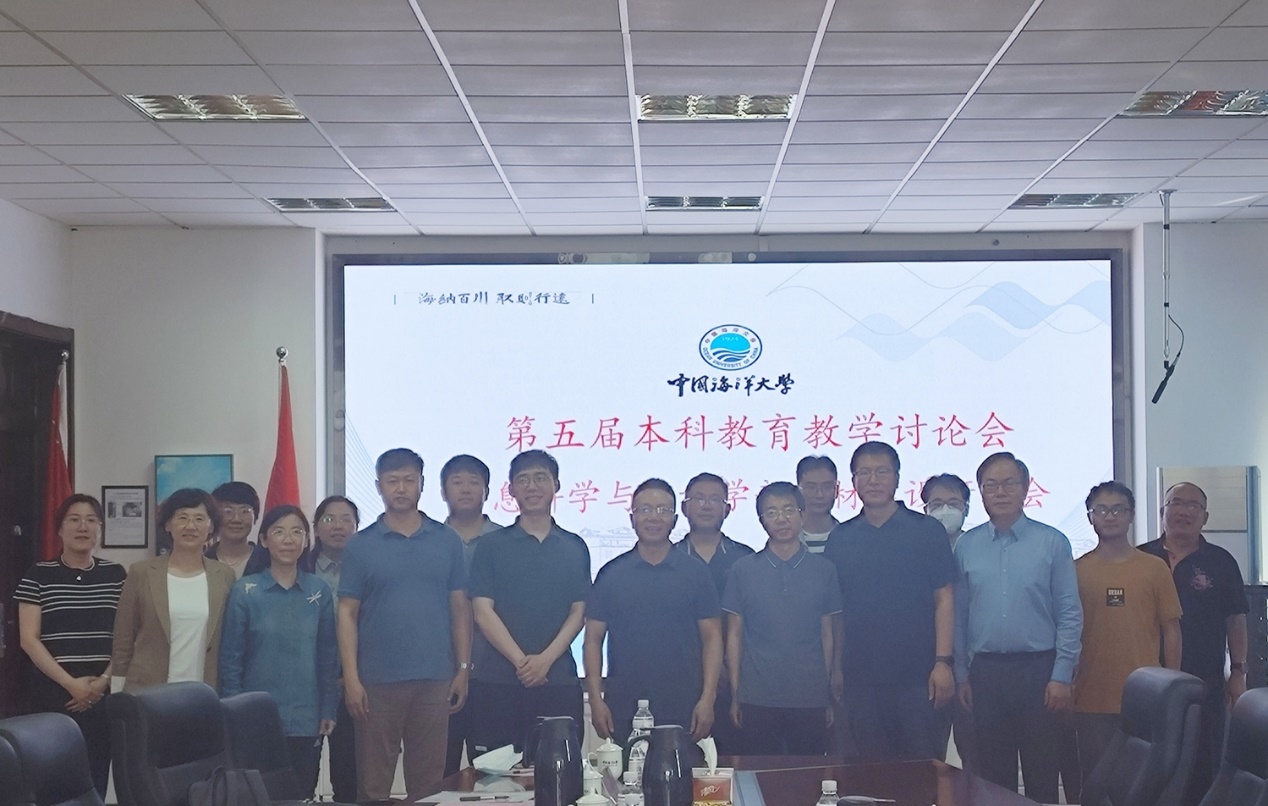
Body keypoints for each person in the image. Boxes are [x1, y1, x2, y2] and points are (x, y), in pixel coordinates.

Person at [337, 448, 471, 802]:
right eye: (392, 481)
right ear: (378, 486)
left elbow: (460, 610)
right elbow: (347, 613)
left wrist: (462, 669)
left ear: (422, 484)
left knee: (428, 785)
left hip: (434, 679)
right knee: (373, 785)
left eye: (409, 480)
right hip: (376, 682)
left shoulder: (446, 540)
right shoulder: (360, 545)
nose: (400, 488)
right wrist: (351, 677)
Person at [953, 452, 1082, 804]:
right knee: (994, 778)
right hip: (985, 673)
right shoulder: (967, 545)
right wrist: (962, 674)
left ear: (1026, 488)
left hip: (1039, 671)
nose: (1000, 492)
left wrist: (1062, 675)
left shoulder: (1052, 542)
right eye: (991, 485)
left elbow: (1069, 612)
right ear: (980, 492)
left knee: (1042, 773)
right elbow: (959, 616)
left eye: (1009, 483)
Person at [825, 443, 955, 761]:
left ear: (897, 478)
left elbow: (944, 599)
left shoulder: (927, 531)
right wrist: (836, 669)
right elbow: (836, 613)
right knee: (868, 774)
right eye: (865, 472)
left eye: (882, 471)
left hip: (919, 678)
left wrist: (943, 662)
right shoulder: (841, 538)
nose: (874, 480)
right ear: (853, 481)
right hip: (860, 679)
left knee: (922, 771)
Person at [467, 450, 589, 756]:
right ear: (511, 490)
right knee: (494, 776)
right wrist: (522, 662)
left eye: (540, 478)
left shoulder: (574, 546)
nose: (532, 486)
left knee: (560, 771)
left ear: (556, 485)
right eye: (523, 480)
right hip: (498, 681)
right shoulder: (491, 545)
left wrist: (545, 660)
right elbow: (482, 610)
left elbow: (579, 612)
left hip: (558, 680)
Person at [585, 479, 723, 743]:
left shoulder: (696, 573)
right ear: (632, 518)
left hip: (684, 703)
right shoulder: (611, 574)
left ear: (674, 519)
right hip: (623, 704)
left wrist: (708, 699)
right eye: (645, 510)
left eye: (663, 510)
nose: (654, 517)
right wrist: (595, 699)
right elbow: (592, 640)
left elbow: (713, 638)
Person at [1140, 481, 1249, 806]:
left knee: (1201, 762)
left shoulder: (1220, 561)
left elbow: (1236, 619)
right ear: (1163, 511)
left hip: (1205, 679)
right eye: (1176, 503)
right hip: (1146, 679)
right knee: (1147, 763)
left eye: (1193, 505)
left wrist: (1238, 671)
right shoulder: (1141, 557)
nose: (1184, 511)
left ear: (1205, 516)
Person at [220, 505, 339, 799]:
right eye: (279, 532)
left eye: (297, 532)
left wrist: (328, 708)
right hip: (254, 718)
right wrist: (234, 711)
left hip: (306, 716)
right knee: (257, 797)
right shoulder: (245, 591)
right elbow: (231, 660)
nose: (288, 540)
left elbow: (328, 657)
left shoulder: (319, 591)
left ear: (306, 541)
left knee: (300, 794)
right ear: (263, 539)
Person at [15, 494, 126, 797]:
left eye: (91, 520)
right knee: (51, 778)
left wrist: (103, 682)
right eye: (74, 520)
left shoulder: (116, 575)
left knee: (97, 774)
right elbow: (28, 639)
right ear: (60, 529)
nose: (83, 527)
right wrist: (70, 684)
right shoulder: (38, 575)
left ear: (100, 529)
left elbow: (127, 635)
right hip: (53, 693)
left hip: (102, 693)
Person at [1074, 482, 1182, 787]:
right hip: (1090, 696)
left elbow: (1171, 630)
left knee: (1140, 786)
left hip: (1144, 697)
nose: (1110, 516)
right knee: (1095, 784)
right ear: (1090, 517)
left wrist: (1171, 686)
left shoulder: (1154, 568)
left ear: (1131, 515)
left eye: (1118, 510)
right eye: (1101, 510)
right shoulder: (1076, 570)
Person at [723, 482, 840, 755]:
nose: (781, 519)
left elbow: (828, 634)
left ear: (802, 514)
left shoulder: (824, 570)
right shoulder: (743, 569)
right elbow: (735, 635)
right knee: (760, 773)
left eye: (788, 510)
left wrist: (826, 693)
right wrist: (736, 694)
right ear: (762, 520)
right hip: (757, 696)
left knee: (808, 774)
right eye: (772, 512)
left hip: (809, 697)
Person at [111, 488, 236, 691]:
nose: (190, 526)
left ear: (211, 526)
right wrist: (118, 691)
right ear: (168, 524)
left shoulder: (224, 576)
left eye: (199, 519)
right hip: (147, 691)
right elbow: (123, 638)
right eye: (182, 517)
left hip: (204, 692)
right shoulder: (141, 572)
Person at [673, 472, 754, 754]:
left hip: (738, 683)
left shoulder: (746, 559)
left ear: (727, 509)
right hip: (682, 679)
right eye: (699, 498)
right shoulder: (670, 559)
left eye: (714, 499)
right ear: (684, 507)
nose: (706, 506)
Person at [440, 454, 504, 774]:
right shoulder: (430, 541)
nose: (465, 489)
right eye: (457, 482)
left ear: (487, 491)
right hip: (439, 674)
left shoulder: (506, 541)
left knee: (494, 775)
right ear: (443, 491)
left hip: (496, 673)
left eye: (473, 482)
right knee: (440, 774)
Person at [302, 494, 361, 804]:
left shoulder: (367, 567)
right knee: (300, 775)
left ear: (356, 526)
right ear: (315, 528)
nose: (338, 526)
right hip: (307, 684)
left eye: (346, 520)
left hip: (355, 683)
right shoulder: (299, 566)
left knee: (350, 774)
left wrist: (352, 675)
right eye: (329, 519)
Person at [921, 473, 978, 771]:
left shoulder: (979, 546)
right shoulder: (916, 548)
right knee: (930, 753)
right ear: (925, 510)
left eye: (953, 503)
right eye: (937, 504)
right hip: (929, 667)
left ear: (966, 508)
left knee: (976, 753)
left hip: (975, 666)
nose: (945, 510)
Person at [206, 481, 269, 578]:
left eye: (245, 511)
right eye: (228, 511)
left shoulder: (268, 562)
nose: (236, 519)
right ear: (214, 517)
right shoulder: (202, 562)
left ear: (255, 517)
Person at [796, 455, 839, 553]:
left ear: (836, 490)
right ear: (798, 491)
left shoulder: (850, 537)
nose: (820, 495)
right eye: (811, 487)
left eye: (827, 487)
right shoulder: (786, 541)